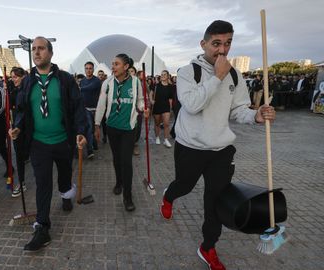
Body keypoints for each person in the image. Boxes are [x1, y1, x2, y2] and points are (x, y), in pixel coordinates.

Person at [159, 20, 276, 270]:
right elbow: (191, 105)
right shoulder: (188, 72)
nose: (222, 50)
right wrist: (217, 77)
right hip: (190, 147)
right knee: (184, 185)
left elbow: (239, 109)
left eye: (227, 43)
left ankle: (208, 246)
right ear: (203, 44)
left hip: (221, 151)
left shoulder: (235, 74)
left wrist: (255, 115)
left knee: (215, 202)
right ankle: (169, 196)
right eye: (216, 44)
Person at [9, 36, 87, 251]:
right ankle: (42, 227)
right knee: (43, 183)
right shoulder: (27, 81)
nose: (36, 52)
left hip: (63, 141)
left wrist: (81, 131)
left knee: (63, 177)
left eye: (41, 48)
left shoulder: (64, 79)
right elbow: (22, 110)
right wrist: (17, 126)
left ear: (50, 53)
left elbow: (77, 107)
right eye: (34, 49)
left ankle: (65, 194)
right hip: (38, 143)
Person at [94, 53, 148, 212]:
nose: (113, 67)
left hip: (129, 128)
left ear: (126, 67)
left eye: (116, 64)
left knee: (126, 161)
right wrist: (97, 124)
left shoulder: (136, 82)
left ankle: (128, 196)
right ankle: (119, 182)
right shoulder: (108, 83)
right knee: (116, 158)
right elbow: (101, 104)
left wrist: (143, 107)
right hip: (112, 127)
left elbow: (139, 100)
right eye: (113, 64)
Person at [9, 67, 28, 197]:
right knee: (19, 157)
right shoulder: (14, 91)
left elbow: (24, 111)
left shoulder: (28, 91)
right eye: (12, 77)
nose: (13, 79)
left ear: (23, 77)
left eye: (15, 77)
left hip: (27, 128)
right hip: (17, 128)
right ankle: (21, 182)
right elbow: (10, 107)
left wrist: (19, 125)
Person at [79, 61, 101, 159]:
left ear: (93, 69)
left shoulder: (96, 81)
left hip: (96, 110)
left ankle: (94, 144)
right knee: (88, 129)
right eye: (86, 68)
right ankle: (90, 151)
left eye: (90, 68)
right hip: (86, 109)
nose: (88, 70)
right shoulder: (82, 80)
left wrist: (79, 88)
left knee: (93, 130)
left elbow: (88, 88)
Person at [151, 70, 174, 148]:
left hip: (166, 107)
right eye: (162, 74)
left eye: (164, 74)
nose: (163, 76)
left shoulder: (170, 87)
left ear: (168, 76)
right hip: (157, 106)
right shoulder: (156, 85)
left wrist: (170, 109)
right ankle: (157, 137)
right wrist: (151, 100)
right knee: (157, 123)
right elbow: (151, 94)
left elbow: (170, 99)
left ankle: (166, 140)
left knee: (166, 124)